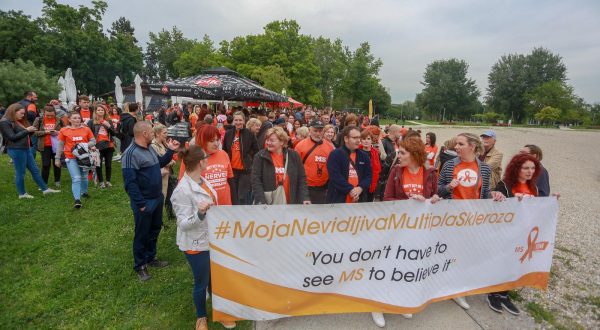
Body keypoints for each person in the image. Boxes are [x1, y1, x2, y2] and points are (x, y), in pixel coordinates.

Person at [437, 132, 504, 310]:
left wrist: (494, 194)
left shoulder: (484, 169)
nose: (456, 147)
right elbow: (438, 189)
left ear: (472, 146)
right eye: (456, 144)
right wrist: (448, 187)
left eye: (460, 144)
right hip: (451, 219)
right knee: (449, 254)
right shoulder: (449, 165)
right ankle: (442, 285)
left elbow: (484, 193)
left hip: (473, 220)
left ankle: (458, 291)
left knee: (465, 256)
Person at [122, 121, 180, 281]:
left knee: (154, 229)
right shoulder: (130, 153)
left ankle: (151, 257)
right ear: (144, 134)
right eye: (152, 133)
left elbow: (160, 163)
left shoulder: (149, 149)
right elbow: (130, 183)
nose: (154, 135)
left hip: (157, 197)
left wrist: (171, 151)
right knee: (142, 233)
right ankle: (140, 265)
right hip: (144, 201)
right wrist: (140, 204)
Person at [486, 153, 542, 315]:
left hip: (523, 233)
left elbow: (538, 208)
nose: (529, 171)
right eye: (525, 168)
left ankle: (505, 294)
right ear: (517, 168)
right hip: (505, 233)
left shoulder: (534, 188)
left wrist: (552, 201)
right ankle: (493, 293)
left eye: (532, 168)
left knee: (514, 263)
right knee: (500, 262)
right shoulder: (505, 185)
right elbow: (494, 206)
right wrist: (499, 198)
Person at [171, 146, 218, 330]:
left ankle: (221, 310)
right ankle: (201, 318)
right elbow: (183, 223)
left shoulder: (202, 180)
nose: (208, 160)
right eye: (206, 158)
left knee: (215, 278)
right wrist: (199, 214)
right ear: (200, 162)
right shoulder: (182, 190)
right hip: (195, 244)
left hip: (211, 238)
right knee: (202, 281)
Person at [0, 103, 60, 198]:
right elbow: (12, 137)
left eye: (24, 114)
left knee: (35, 170)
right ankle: (22, 194)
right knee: (20, 172)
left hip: (25, 148)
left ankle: (45, 189)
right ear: (13, 111)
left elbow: (25, 134)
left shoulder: (17, 120)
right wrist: (27, 130)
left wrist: (30, 131)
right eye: (21, 113)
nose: (23, 115)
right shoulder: (4, 122)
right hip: (16, 150)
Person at [251, 127, 310, 205]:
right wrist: (261, 201)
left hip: (291, 202)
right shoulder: (260, 156)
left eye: (272, 140)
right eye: (267, 140)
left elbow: (301, 178)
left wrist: (304, 197)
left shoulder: (294, 156)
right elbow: (256, 180)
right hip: (269, 203)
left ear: (282, 142)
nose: (268, 143)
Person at [55, 112, 96, 207]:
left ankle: (84, 192)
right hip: (71, 158)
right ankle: (77, 200)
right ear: (69, 119)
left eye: (78, 118)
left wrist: (83, 145)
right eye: (74, 118)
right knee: (76, 178)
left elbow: (93, 141)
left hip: (84, 157)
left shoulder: (86, 129)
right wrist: (57, 158)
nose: (77, 120)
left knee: (84, 177)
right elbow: (60, 145)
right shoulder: (64, 130)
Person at [326, 126, 372, 203]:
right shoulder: (335, 154)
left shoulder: (364, 156)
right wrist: (350, 190)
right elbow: (335, 176)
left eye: (359, 138)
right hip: (338, 200)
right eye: (354, 138)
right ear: (346, 139)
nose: (358, 140)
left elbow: (368, 176)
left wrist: (360, 188)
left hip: (359, 199)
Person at [294, 119, 335, 204]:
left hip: (322, 188)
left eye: (320, 131)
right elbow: (295, 167)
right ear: (309, 130)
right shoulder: (300, 146)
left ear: (323, 131)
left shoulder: (330, 147)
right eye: (315, 131)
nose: (318, 133)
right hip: (305, 188)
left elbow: (333, 168)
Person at [223, 111, 258, 205]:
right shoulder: (228, 134)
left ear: (244, 121)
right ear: (233, 121)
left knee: (243, 197)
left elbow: (256, 150)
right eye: (236, 120)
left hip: (245, 171)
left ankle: (244, 216)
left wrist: (249, 159)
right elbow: (225, 150)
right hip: (232, 170)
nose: (238, 122)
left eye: (240, 120)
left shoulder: (249, 134)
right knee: (233, 195)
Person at [196, 125, 234, 205]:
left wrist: (234, 201)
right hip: (204, 207)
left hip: (225, 205)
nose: (216, 144)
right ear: (203, 140)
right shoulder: (193, 158)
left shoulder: (223, 154)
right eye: (212, 141)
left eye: (217, 140)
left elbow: (230, 180)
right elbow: (184, 185)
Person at [35, 105, 63, 187]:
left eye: (52, 115)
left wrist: (57, 132)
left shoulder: (59, 120)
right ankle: (44, 183)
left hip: (57, 145)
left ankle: (57, 181)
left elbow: (64, 130)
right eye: (47, 115)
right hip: (45, 145)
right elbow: (34, 132)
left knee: (57, 163)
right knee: (46, 164)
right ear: (44, 113)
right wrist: (45, 132)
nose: (50, 117)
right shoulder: (39, 120)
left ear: (55, 113)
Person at [88, 105, 115, 188]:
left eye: (102, 110)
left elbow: (114, 133)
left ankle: (108, 181)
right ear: (95, 111)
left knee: (108, 164)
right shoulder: (91, 122)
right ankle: (101, 182)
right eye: (99, 110)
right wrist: (91, 145)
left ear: (105, 111)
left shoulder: (108, 121)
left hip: (109, 145)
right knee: (98, 164)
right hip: (97, 146)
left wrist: (109, 126)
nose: (100, 111)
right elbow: (88, 134)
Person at [150, 124, 176, 205]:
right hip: (161, 176)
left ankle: (170, 214)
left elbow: (169, 158)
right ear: (157, 134)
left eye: (166, 132)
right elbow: (160, 162)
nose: (166, 135)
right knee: (162, 196)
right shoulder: (153, 146)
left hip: (168, 174)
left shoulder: (164, 143)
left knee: (170, 195)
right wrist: (170, 162)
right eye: (164, 133)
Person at [360, 127, 381, 202]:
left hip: (371, 184)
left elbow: (377, 169)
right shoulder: (356, 152)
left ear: (371, 140)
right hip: (359, 184)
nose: (366, 141)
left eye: (368, 139)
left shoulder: (375, 153)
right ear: (360, 140)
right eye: (364, 139)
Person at [19, 91, 39, 158]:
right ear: (29, 96)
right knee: (32, 144)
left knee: (21, 144)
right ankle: (31, 160)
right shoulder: (31, 105)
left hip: (18, 126)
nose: (36, 98)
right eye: (35, 97)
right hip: (30, 127)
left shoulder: (18, 103)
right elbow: (31, 116)